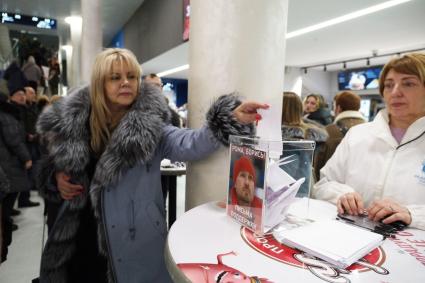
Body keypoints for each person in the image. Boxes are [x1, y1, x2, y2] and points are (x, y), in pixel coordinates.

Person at [35, 48, 268, 283]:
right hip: (81, 239)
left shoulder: (150, 125)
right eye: (115, 77)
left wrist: (230, 119)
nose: (126, 83)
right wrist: (55, 176)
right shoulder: (73, 125)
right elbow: (52, 162)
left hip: (132, 238)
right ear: (99, 84)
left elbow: (189, 143)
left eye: (132, 76)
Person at [313, 53, 425, 230]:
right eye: (388, 85)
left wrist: (413, 214)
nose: (395, 92)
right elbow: (323, 184)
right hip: (347, 241)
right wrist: (343, 194)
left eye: (408, 83)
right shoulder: (357, 135)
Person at [0, 85, 32, 260]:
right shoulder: (6, 116)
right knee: (7, 196)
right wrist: (26, 157)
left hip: (5, 162)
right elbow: (14, 139)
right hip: (9, 163)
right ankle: (5, 225)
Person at [281, 92, 328, 195]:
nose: (309, 105)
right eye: (307, 102)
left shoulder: (290, 139)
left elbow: (283, 178)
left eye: (313, 103)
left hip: (288, 196)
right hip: (302, 190)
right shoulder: (307, 133)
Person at [314, 91, 366, 178]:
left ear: (338, 108)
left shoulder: (328, 131)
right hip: (363, 187)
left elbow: (318, 167)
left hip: (332, 187)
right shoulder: (371, 130)